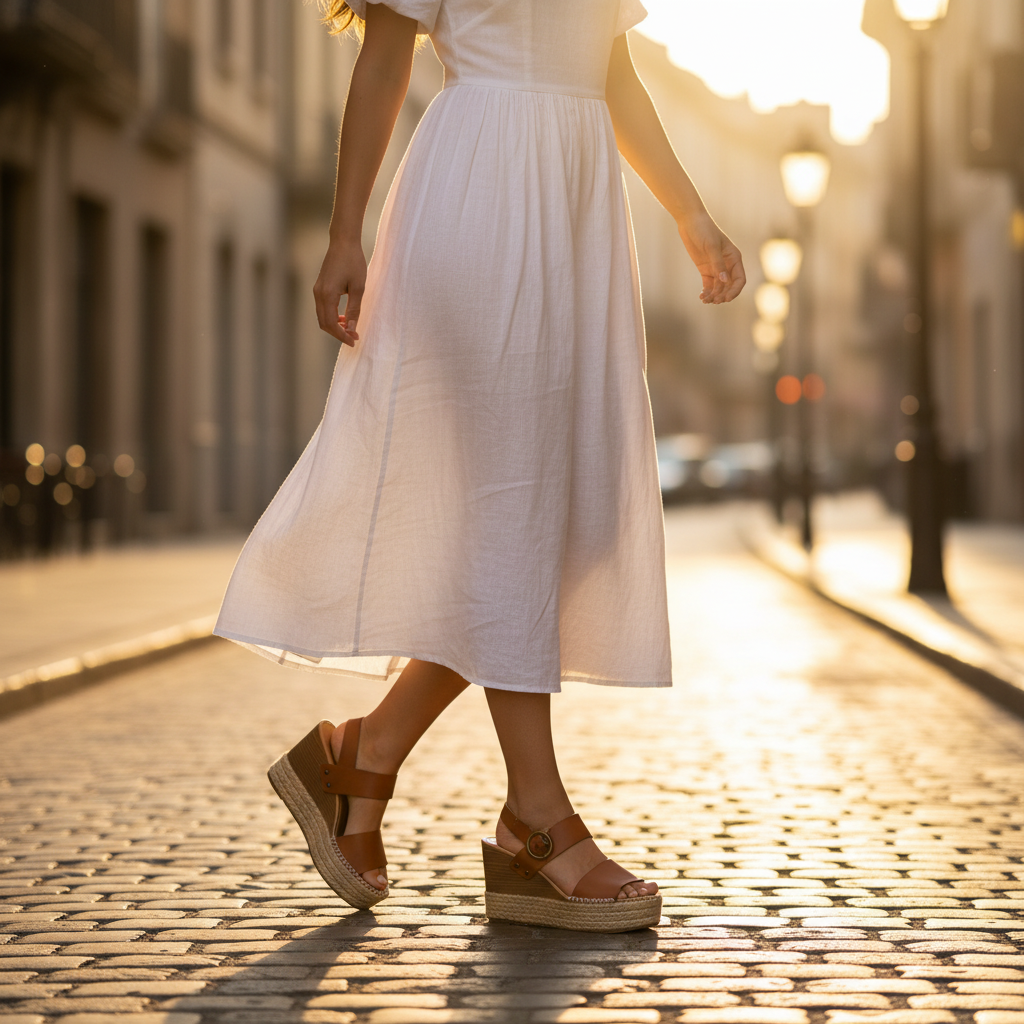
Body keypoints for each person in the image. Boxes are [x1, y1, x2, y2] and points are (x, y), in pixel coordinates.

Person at [215, 0, 745, 933]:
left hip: (581, 209)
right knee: (514, 513)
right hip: (482, 196)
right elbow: (383, 64)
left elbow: (609, 68)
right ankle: (534, 822)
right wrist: (346, 234)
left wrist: (691, 213)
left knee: (567, 525)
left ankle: (363, 757)